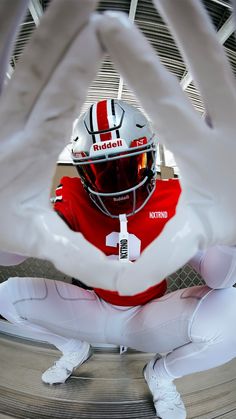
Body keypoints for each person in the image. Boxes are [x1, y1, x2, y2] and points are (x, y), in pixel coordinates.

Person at [1, 99, 236, 419]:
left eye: (130, 165)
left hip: (150, 314)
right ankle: (73, 348)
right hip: (95, 308)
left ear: (150, 157)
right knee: (6, 296)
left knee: (230, 311)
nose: (117, 182)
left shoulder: (175, 199)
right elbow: (10, 257)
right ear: (83, 171)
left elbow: (218, 278)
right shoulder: (71, 197)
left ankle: (161, 374)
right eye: (102, 171)